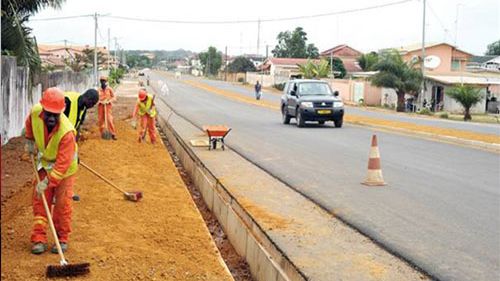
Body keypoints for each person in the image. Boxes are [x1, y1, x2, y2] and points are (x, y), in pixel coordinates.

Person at [24, 87, 79, 255]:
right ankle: (38, 238)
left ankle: (61, 239)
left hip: (65, 170)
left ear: (61, 112)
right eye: (48, 114)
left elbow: (62, 165)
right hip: (44, 163)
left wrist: (48, 182)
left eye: (55, 115)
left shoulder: (67, 133)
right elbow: (30, 125)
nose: (51, 118)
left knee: (62, 204)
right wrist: (29, 140)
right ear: (43, 109)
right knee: (40, 201)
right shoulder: (35, 113)